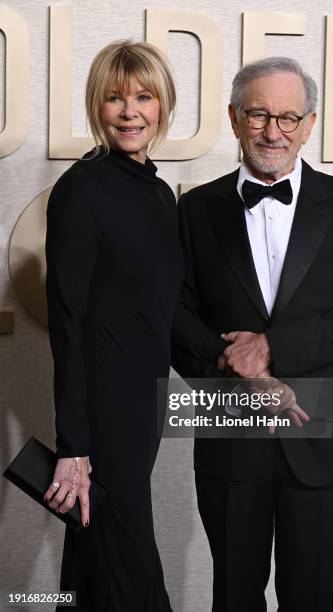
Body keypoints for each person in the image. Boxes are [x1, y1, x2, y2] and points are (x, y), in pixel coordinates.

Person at [171, 57, 333, 611]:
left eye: (289, 117)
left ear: (309, 124)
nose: (274, 131)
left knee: (312, 598)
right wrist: (238, 374)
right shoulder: (194, 210)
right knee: (235, 598)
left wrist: (268, 348)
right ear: (234, 117)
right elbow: (175, 319)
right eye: (259, 114)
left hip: (324, 437)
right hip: (229, 435)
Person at [43, 40, 183, 611]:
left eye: (143, 97)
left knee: (93, 560)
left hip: (144, 403)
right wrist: (74, 445)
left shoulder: (156, 193)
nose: (130, 112)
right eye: (114, 98)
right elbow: (67, 321)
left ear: (162, 104)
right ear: (96, 107)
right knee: (126, 560)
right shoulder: (81, 189)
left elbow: (165, 309)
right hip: (104, 414)